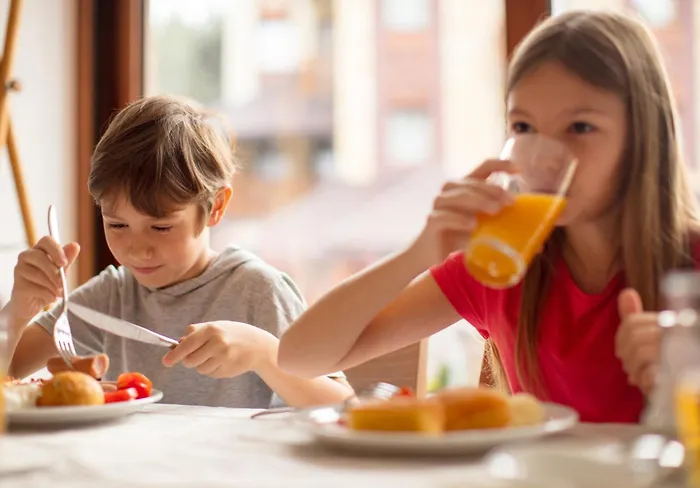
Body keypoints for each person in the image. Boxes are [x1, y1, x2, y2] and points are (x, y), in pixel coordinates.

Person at [277, 10, 700, 423]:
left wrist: (687, 378)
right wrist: (419, 253)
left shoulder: (691, 266)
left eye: (580, 127)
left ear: (642, 134)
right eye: (524, 128)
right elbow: (299, 357)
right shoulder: (503, 268)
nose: (543, 159)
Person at [5, 95, 352, 408]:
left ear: (216, 206)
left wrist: (264, 353)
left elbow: (342, 407)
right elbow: (11, 369)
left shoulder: (258, 291)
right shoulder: (112, 296)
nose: (137, 250)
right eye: (117, 225)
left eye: (161, 228)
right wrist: (18, 311)